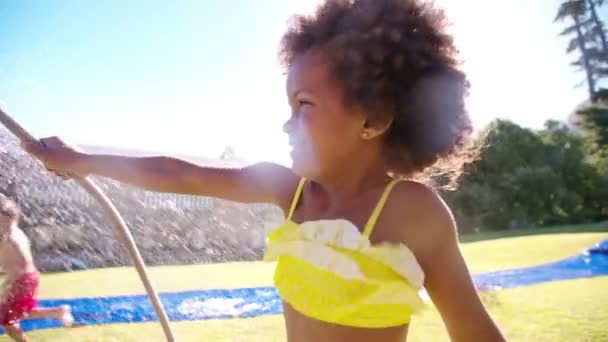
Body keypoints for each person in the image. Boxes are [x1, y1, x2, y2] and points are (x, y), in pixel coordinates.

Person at [22, 0, 505, 340]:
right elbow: (182, 175)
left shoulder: (410, 210)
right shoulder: (291, 192)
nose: (287, 123)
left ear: (373, 119)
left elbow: (471, 330)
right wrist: (81, 159)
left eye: (304, 105)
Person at [0, 195, 73, 341]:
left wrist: (10, 284)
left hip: (21, 279)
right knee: (17, 312)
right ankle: (57, 312)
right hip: (25, 278)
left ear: (8, 218)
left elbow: (18, 261)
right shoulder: (14, 233)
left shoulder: (10, 235)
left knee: (7, 320)